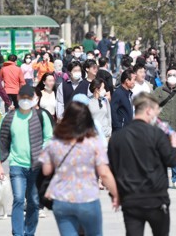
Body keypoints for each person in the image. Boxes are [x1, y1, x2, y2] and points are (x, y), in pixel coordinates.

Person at [39, 101, 119, 236]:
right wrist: (116, 194)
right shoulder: (93, 143)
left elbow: (46, 170)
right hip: (87, 198)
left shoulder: (54, 142)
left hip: (62, 199)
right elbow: (104, 173)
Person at [108, 92, 176, 236]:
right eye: (156, 112)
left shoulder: (117, 137)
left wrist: (114, 195)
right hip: (156, 199)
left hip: (130, 199)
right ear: (148, 111)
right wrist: (174, 144)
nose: (157, 116)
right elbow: (171, 160)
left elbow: (112, 169)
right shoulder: (157, 134)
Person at [0, 85, 54, 236]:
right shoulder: (9, 118)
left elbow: (49, 137)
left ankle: (29, 232)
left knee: (34, 201)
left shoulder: (41, 116)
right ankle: (18, 233)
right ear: (18, 98)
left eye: (29, 98)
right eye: (23, 98)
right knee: (19, 199)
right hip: (17, 165)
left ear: (34, 99)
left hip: (36, 166)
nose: (26, 101)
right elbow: (0, 140)